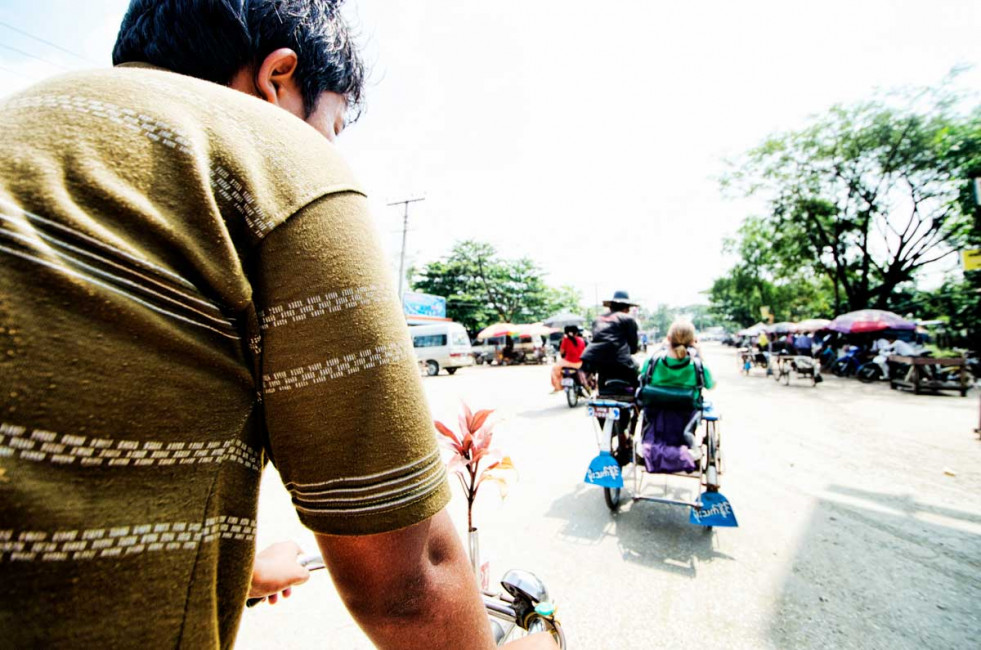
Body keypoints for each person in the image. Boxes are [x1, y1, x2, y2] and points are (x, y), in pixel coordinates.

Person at [0, 2, 553, 648]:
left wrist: (230, 569)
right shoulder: (272, 151)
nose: (328, 146)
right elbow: (408, 586)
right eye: (334, 124)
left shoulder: (24, 119)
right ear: (279, 78)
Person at [637, 319, 715, 473]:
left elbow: (641, 378)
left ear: (668, 338)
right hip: (686, 422)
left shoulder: (652, 361)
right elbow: (711, 385)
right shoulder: (698, 366)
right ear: (693, 341)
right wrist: (700, 355)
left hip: (654, 420)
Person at [580, 290, 641, 391]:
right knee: (639, 386)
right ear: (626, 308)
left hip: (599, 363)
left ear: (611, 306)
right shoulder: (628, 319)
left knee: (601, 389)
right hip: (622, 363)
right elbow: (633, 348)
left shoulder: (598, 319)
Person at [550, 325, 586, 392]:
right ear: (576, 332)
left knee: (554, 370)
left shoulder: (565, 340)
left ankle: (557, 387)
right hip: (579, 363)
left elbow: (562, 352)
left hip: (568, 363)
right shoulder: (581, 340)